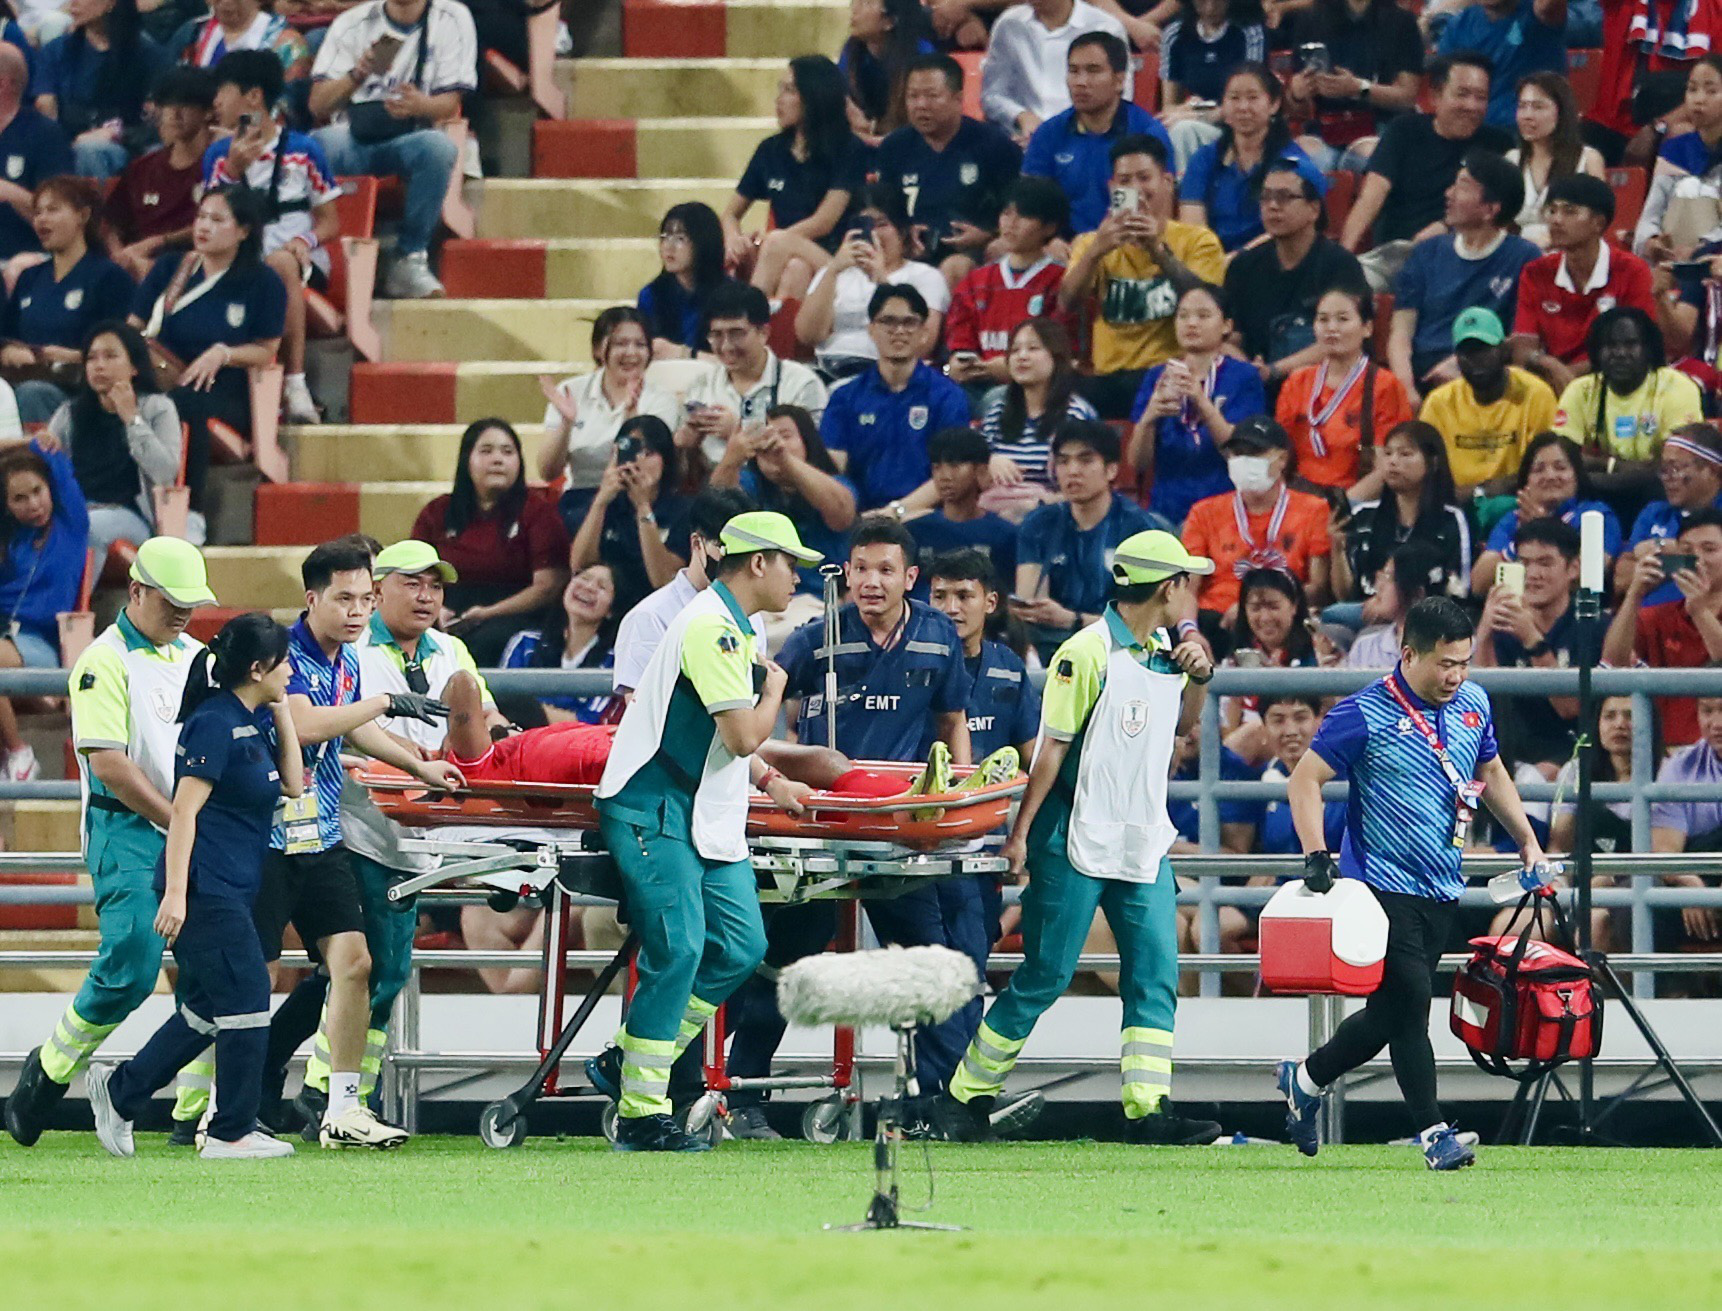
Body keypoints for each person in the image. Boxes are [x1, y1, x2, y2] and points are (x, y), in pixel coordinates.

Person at [935, 529, 1224, 1146]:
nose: (1192, 592)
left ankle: (1148, 1110)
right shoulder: (1084, 653)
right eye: (1187, 581)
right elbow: (1049, 752)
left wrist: (1198, 675)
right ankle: (965, 1096)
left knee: (1155, 973)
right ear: (1167, 587)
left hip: (1142, 839)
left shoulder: (1170, 651)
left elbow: (1187, 725)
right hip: (1075, 833)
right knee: (1045, 974)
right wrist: (1021, 836)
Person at [726, 517, 981, 1131]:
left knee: (928, 963)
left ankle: (939, 1103)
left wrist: (960, 804)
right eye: (861, 568)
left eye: (886, 570)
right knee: (787, 962)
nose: (871, 581)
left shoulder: (938, 636)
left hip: (898, 833)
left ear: (910, 578)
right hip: (822, 836)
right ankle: (744, 1098)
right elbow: (778, 728)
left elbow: (954, 725)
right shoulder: (816, 638)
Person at [1277, 596, 1546, 1169]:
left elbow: (1490, 770)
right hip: (1380, 884)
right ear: (1408, 655)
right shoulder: (1363, 713)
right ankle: (1433, 1134)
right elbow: (1305, 780)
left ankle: (1304, 1079)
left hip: (1441, 883)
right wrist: (1315, 854)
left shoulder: (1474, 702)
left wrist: (1525, 837)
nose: (1456, 676)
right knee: (1413, 1002)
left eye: (1464, 662)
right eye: (1445, 664)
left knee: (1391, 1013)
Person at [593, 510, 820, 1152]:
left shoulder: (738, 625)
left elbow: (736, 749)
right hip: (652, 806)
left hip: (706, 810)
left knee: (742, 948)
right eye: (789, 562)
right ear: (757, 564)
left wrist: (772, 782)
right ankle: (641, 1114)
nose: (795, 575)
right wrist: (774, 689)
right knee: (682, 949)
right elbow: (745, 732)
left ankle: (627, 1059)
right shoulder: (713, 630)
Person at [3, 537, 214, 1148]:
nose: (183, 614)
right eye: (172, 602)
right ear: (139, 591)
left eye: (191, 604)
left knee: (218, 967)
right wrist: (180, 821)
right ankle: (48, 1072)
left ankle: (193, 1110)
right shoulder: (103, 662)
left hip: (192, 821)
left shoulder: (198, 656)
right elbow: (112, 767)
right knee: (133, 961)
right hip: (126, 826)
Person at [256, 538, 464, 1148]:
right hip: (266, 838)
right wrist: (382, 699)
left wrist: (418, 767)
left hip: (320, 837)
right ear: (311, 597)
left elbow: (359, 728)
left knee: (356, 966)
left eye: (364, 599)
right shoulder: (283, 654)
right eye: (345, 598)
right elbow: (306, 723)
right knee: (253, 979)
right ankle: (201, 1103)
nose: (356, 612)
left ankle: (341, 1109)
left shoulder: (345, 657)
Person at [85, 613, 303, 1161]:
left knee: (210, 1005)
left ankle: (123, 1091)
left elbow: (295, 786)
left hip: (234, 885)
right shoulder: (212, 722)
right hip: (204, 888)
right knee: (250, 993)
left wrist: (282, 712)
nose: (292, 670)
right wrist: (176, 894)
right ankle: (231, 1130)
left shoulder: (252, 719)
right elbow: (183, 813)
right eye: (284, 662)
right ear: (257, 668)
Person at [305, 539, 510, 1115]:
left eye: (436, 586)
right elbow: (346, 729)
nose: (426, 596)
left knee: (388, 968)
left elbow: (483, 714)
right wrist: (416, 760)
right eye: (411, 583)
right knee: (368, 964)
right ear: (378, 589)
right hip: (359, 821)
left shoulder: (452, 650)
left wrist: (499, 735)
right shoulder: (350, 649)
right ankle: (332, 1092)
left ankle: (337, 1091)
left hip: (427, 827)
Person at [202, 50, 340, 426]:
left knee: (279, 263)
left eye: (223, 91)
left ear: (253, 97)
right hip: (240, 257)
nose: (215, 101)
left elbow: (331, 222)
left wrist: (305, 242)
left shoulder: (304, 150)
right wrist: (233, 169)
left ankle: (295, 383)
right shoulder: (217, 154)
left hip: (298, 258)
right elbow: (211, 220)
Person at [130, 187, 286, 516]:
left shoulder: (264, 282)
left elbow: (267, 350)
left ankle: (190, 513)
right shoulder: (170, 267)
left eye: (217, 219)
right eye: (201, 217)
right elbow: (131, 327)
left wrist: (224, 354)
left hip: (225, 392)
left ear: (244, 231)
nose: (203, 226)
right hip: (161, 379)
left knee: (184, 405)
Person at [309, 0, 478, 301]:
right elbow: (317, 104)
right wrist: (356, 76)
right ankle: (318, 255)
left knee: (438, 148)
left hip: (411, 136)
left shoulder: (453, 17)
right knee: (317, 145)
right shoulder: (352, 22)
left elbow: (450, 102)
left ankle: (409, 257)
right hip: (353, 135)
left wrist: (420, 105)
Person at [1060, 133, 1226, 418]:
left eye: (1144, 178)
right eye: (1124, 182)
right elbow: (1067, 302)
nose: (1135, 188)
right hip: (1107, 377)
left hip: (1171, 372)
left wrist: (1157, 251)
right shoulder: (1091, 243)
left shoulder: (1198, 241)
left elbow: (1207, 302)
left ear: (1167, 182)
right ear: (1112, 188)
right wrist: (1097, 250)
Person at [410, 417, 569, 665]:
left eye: (508, 452)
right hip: (445, 611)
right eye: (486, 451)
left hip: (515, 615)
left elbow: (547, 586)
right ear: (467, 460)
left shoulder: (538, 511)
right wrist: (434, 609)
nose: (498, 459)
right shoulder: (437, 511)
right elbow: (414, 572)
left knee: (483, 643)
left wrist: (487, 614)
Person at [1387, 150, 1539, 404]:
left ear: (1490, 209)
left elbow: (1519, 337)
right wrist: (1405, 389)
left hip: (1485, 381)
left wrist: (1462, 363)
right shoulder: (1426, 252)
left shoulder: (1524, 257)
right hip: (1422, 379)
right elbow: (1401, 330)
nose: (1449, 194)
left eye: (1462, 186)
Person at [1014, 420, 1170, 656]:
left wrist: (1075, 620)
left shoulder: (1141, 529)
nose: (1072, 470)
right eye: (1063, 461)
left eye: (1085, 460)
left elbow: (1147, 621)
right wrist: (1035, 610)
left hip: (1122, 650)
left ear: (1111, 470)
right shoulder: (1039, 525)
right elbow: (1029, 603)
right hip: (1053, 648)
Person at [724, 55, 868, 301]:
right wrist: (734, 240)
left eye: (789, 90)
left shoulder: (848, 149)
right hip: (788, 256)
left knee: (781, 247)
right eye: (780, 89)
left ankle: (746, 316)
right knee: (795, 270)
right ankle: (777, 337)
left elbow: (824, 222)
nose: (779, 100)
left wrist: (771, 241)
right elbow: (730, 214)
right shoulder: (770, 149)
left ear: (814, 95)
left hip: (837, 257)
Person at [1340, 54, 1509, 260]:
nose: (1471, 106)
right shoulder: (1404, 130)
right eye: (1462, 94)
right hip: (1397, 255)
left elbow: (1501, 212)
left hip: (1464, 258)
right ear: (1435, 96)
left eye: (1481, 97)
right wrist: (1344, 257)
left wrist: (1446, 227)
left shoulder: (1498, 145)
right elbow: (1372, 196)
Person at [870, 53, 1021, 284]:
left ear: (958, 98)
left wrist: (987, 234)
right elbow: (882, 207)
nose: (921, 105)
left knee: (955, 268)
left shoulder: (995, 145)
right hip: (909, 250)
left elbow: (1018, 208)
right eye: (913, 96)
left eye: (931, 96)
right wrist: (904, 234)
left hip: (972, 252)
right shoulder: (895, 146)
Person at [818, 283, 970, 512]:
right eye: (888, 321)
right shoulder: (846, 397)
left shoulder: (947, 396)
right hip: (859, 517)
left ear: (923, 332)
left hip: (926, 515)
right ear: (871, 329)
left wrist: (896, 512)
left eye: (909, 322)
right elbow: (832, 467)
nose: (899, 330)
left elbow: (952, 473)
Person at [1129, 282, 1266, 526]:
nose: (1191, 323)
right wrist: (1149, 418)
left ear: (1226, 326)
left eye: (1203, 316)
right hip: (1165, 509)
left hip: (1226, 508)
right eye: (1183, 316)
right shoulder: (1156, 376)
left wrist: (1201, 401)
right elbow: (1137, 463)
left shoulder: (1244, 376)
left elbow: (1241, 453)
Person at [48, 321, 187, 561]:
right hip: (76, 509)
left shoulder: (157, 408)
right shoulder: (69, 413)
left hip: (130, 514)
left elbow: (165, 472)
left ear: (134, 366)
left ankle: (69, 600)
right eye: (91, 358)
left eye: (110, 356)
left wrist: (132, 419)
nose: (99, 366)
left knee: (86, 529)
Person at [1, 176, 135, 424]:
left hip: (81, 393)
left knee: (33, 394)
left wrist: (74, 356)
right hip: (24, 380)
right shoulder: (29, 278)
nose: (41, 218)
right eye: (38, 211)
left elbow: (125, 348)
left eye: (52, 210)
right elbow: (6, 333)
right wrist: (9, 349)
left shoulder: (110, 277)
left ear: (83, 216)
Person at [1221, 158, 1368, 381]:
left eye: (1284, 197)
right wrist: (1246, 369)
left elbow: (1344, 340)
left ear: (1314, 209)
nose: (1272, 206)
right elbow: (1229, 337)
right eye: (1266, 197)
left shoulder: (1339, 265)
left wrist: (1274, 371)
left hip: (1322, 383)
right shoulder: (1243, 266)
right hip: (1254, 384)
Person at [1512, 174, 1658, 394]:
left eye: (1569, 211)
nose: (1556, 220)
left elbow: (1640, 346)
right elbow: (1523, 345)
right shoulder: (1536, 272)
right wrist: (1547, 364)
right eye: (1552, 210)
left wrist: (1570, 376)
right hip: (1551, 381)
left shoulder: (1632, 270)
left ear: (1598, 223)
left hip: (1616, 380)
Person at [610, 484, 756, 697]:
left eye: (745, 553)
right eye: (726, 549)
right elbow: (641, 711)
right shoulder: (649, 617)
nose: (736, 562)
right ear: (697, 543)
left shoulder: (752, 614)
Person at [537, 306, 681, 521]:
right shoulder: (571, 392)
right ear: (597, 350)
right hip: (581, 498)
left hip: (636, 498)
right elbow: (547, 472)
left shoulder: (662, 401)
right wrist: (566, 424)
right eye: (620, 344)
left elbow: (640, 469)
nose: (631, 353)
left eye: (640, 345)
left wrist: (631, 416)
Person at [710, 403, 855, 614]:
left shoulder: (836, 483)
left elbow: (841, 514)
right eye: (765, 436)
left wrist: (784, 459)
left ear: (807, 442)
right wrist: (732, 458)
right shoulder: (750, 484)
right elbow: (713, 513)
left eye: (785, 435)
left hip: (819, 604)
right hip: (756, 606)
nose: (772, 442)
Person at [1182, 414, 1332, 617]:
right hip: (1216, 617)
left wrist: (1254, 609)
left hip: (1284, 616)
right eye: (1238, 454)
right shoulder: (1203, 512)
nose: (1244, 461)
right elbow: (1188, 587)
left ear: (1282, 459)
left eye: (1255, 454)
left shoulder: (1314, 510)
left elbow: (1318, 588)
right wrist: (1190, 631)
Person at [1021, 31, 1170, 236]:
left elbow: (1161, 213)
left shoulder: (1148, 133)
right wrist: (1048, 241)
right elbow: (1031, 205)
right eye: (1073, 71)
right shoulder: (1048, 134)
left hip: (1129, 241)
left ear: (1119, 80)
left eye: (1093, 71)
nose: (1080, 82)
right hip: (1061, 249)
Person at [794, 181, 950, 377]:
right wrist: (833, 270)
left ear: (902, 231)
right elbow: (808, 336)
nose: (873, 233)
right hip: (829, 367)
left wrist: (881, 280)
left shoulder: (925, 276)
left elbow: (922, 343)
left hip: (889, 372)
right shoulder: (834, 273)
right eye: (865, 224)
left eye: (882, 224)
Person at [1554, 306, 1704, 502]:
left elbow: (1673, 467)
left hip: (1657, 495)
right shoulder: (1580, 390)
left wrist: (1591, 472)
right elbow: (1561, 457)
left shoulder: (1677, 387)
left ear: (1649, 349)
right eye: (1610, 345)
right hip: (1597, 493)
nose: (1620, 353)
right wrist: (1613, 465)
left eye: (1631, 344)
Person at [0, 436, 85, 778]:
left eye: (37, 491)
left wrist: (34, 442)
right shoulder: (13, 540)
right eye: (20, 498)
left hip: (42, 644)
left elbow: (57, 464)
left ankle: (21, 755)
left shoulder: (72, 525)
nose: (33, 504)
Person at [1275, 286, 1413, 495]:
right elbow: (1277, 452)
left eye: (1342, 319)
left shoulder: (1385, 386)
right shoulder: (1297, 381)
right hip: (1299, 497)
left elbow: (1389, 465)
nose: (1331, 328)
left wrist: (1348, 505)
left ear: (1367, 328)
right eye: (1323, 319)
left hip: (1357, 498)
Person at [1603, 507, 1722, 747]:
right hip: (1664, 758)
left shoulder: (1696, 610)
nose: (1697, 559)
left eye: (1709, 549)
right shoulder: (1660, 615)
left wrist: (1699, 611)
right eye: (1687, 552)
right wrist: (1634, 594)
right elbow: (1614, 663)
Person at [1475, 516, 1589, 766]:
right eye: (1524, 563)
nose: (1533, 574)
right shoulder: (1503, 625)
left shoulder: (1590, 625)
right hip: (1510, 757)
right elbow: (1483, 698)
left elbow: (1571, 708)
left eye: (1545, 563)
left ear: (1573, 568)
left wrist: (1532, 639)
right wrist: (1484, 632)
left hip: (1573, 757)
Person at [678, 283, 827, 472]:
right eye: (716, 335)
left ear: (763, 333)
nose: (726, 347)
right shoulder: (701, 386)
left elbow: (813, 457)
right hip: (716, 490)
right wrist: (686, 446)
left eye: (736, 334)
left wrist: (739, 431)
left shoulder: (801, 383)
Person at [1178, 62, 1323, 253]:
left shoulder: (1291, 162)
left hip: (1269, 261)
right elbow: (1192, 227)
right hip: (1212, 262)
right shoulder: (1204, 159)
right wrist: (1211, 262)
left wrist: (1239, 260)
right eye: (1234, 98)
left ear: (1274, 104)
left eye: (1253, 98)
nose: (1243, 107)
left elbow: (1289, 229)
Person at [943, 175, 1070, 390]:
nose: (1011, 223)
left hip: (1038, 387)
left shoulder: (1060, 281)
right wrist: (958, 360)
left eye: (1024, 215)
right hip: (977, 384)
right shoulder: (976, 281)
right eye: (1006, 213)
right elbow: (960, 336)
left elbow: (1061, 346)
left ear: (1049, 227)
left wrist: (1012, 365)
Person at [1332, 420, 1473, 611]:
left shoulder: (1452, 520)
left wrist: (1392, 610)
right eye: (1388, 453)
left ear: (1433, 462)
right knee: (1332, 619)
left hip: (1424, 620)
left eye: (1405, 454)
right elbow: (1346, 595)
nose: (1393, 461)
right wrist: (1337, 548)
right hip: (1364, 615)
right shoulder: (1363, 515)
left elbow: (1458, 592)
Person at [1420, 306, 1558, 498]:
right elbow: (1426, 466)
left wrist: (1487, 490)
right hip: (1456, 502)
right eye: (1466, 353)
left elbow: (1549, 463)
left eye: (1483, 350)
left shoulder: (1536, 394)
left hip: (1518, 499)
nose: (1475, 361)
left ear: (1503, 350)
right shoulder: (1439, 402)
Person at [1283, 0, 1425, 172]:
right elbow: (1298, 112)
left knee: (1366, 158)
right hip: (1324, 128)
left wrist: (1360, 89)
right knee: (1302, 159)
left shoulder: (1402, 22)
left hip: (1381, 125)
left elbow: (1407, 97)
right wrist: (1297, 95)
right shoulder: (1309, 19)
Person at [1473, 432, 1621, 593]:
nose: (1550, 476)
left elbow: (1587, 579)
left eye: (1560, 468)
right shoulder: (1514, 519)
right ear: (1526, 480)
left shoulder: (1597, 516)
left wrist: (1543, 531)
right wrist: (1517, 543)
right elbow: (1478, 585)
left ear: (1577, 476)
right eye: (1539, 469)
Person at [35, 0, 167, 180]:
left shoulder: (147, 54)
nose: (73, 3)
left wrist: (118, 134)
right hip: (67, 142)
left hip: (125, 147)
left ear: (110, 3)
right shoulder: (57, 51)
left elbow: (159, 122)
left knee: (90, 150)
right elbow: (45, 104)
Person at [104, 67, 215, 279]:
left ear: (208, 111)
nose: (175, 113)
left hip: (190, 265)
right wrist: (119, 254)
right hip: (134, 263)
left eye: (186, 104)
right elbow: (111, 223)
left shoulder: (216, 167)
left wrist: (158, 242)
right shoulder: (142, 168)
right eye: (168, 104)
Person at [980, 0, 1131, 144]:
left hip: (1088, 137)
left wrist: (1059, 132)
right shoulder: (1008, 24)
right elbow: (992, 95)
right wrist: (1020, 115)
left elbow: (1122, 97)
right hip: (1024, 140)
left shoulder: (1105, 26)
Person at [978, 314, 1096, 497]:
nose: (1022, 357)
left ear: (1056, 358)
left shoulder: (1075, 414)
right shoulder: (996, 413)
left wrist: (1040, 506)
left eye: (1033, 348)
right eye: (1015, 350)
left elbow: (1088, 484)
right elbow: (975, 471)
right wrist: (990, 461)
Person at [1220, 566, 1326, 762]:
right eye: (1255, 608)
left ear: (1294, 606)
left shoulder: (1321, 652)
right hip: (1250, 764)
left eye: (1273, 606)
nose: (1265, 617)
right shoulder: (1234, 662)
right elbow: (1229, 738)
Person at [1617, 422, 1722, 608]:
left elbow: (1711, 574)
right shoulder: (1654, 513)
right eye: (1664, 470)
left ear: (1711, 470)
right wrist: (1686, 560)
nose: (1667, 478)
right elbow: (1622, 578)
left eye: (1675, 469)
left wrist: (1661, 547)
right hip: (1646, 625)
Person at [499, 563, 620, 726]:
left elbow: (589, 722)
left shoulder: (614, 662)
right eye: (584, 578)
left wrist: (527, 709)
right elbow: (500, 704)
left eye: (602, 587)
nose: (589, 587)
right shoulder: (524, 643)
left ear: (611, 610)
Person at [902, 426, 1019, 586]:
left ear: (981, 471)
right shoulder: (914, 532)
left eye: (954, 466)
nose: (944, 476)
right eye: (937, 467)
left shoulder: (1005, 535)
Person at [1158, 0, 1268, 170]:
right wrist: (1187, 109)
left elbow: (1249, 105)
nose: (1210, 7)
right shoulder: (1175, 34)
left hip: (1236, 128)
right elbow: (1169, 107)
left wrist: (1200, 114)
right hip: (1196, 120)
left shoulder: (1248, 33)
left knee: (1184, 130)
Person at [1636, 56, 1722, 263]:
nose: (1699, 99)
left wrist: (1701, 248)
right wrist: (1651, 241)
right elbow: (1651, 215)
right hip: (1671, 260)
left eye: (1711, 91)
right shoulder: (1674, 150)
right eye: (1692, 89)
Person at [1505, 71, 1606, 248]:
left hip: (1567, 254)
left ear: (1561, 112)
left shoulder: (1588, 159)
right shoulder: (1511, 160)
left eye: (1538, 107)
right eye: (1522, 106)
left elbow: (1597, 223)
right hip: (1519, 255)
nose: (1527, 115)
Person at [1434, 0, 1567, 131]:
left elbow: (1548, 7)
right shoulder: (1458, 25)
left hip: (1527, 136)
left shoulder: (1540, 15)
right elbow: (1443, 88)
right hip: (1473, 135)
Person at [636, 202, 742, 361]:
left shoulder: (731, 295)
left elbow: (738, 360)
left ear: (703, 242)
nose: (668, 247)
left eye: (680, 238)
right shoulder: (651, 294)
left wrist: (684, 354)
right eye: (665, 237)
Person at [0, 43, 74, 262]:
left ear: (2, 84)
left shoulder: (45, 135)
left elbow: (63, 215)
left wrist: (10, 193)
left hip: (25, 257)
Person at [1246, 693, 1345, 855]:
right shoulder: (1258, 781)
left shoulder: (1350, 777)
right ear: (1263, 729)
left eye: (1300, 718)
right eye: (1278, 720)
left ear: (1319, 722)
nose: (1291, 731)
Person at [840, 0, 933, 138]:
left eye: (867, 2)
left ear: (889, 21)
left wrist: (870, 127)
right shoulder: (852, 51)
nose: (855, 9)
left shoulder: (922, 55)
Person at [1347, 539, 1445, 666]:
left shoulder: (1456, 647)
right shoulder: (1365, 648)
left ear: (1417, 592)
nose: (1378, 586)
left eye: (1388, 577)